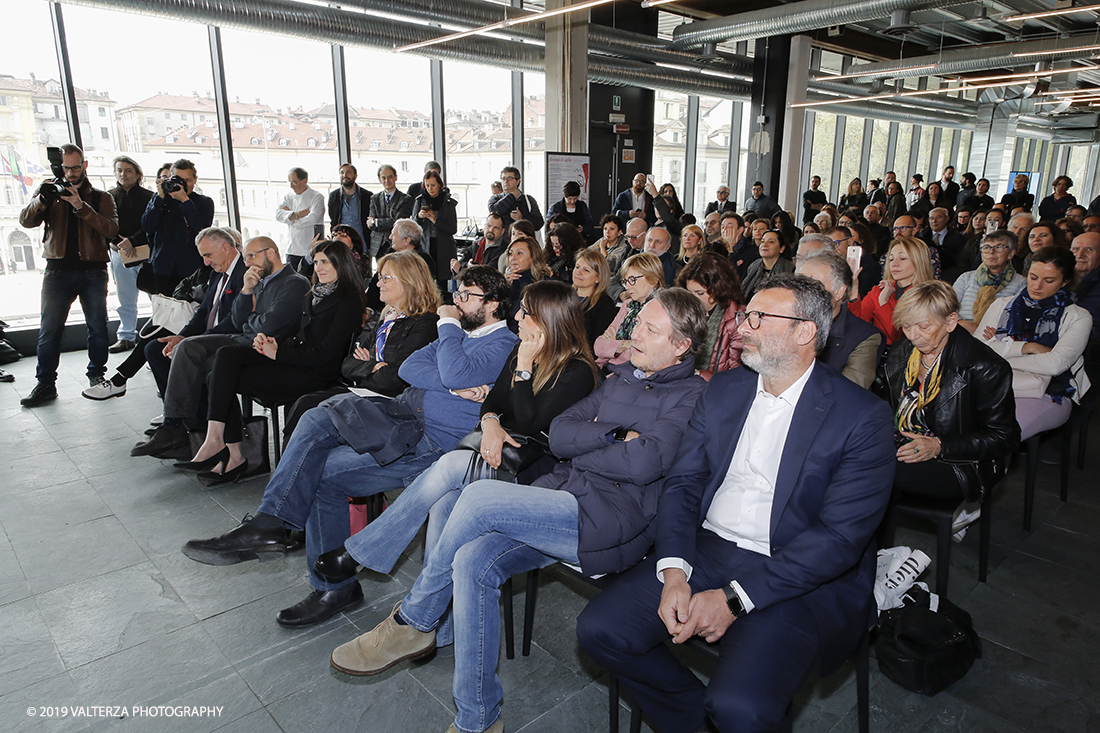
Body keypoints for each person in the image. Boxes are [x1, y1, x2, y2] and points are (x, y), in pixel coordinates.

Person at [329, 289, 708, 733]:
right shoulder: (621, 376)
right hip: (564, 492)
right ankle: (479, 720)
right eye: (637, 321)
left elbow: (642, 464)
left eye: (649, 328)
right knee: (472, 559)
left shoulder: (692, 396)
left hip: (612, 521)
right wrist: (616, 436)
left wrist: (592, 440)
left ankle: (416, 618)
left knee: (472, 495)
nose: (633, 334)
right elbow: (562, 434)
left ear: (681, 345)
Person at [578, 275, 897, 733]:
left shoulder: (860, 416)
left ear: (805, 332)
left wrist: (733, 600)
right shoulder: (725, 389)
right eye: (746, 314)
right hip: (710, 549)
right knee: (600, 630)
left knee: (740, 707)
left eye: (759, 317)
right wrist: (673, 571)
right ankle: (696, 722)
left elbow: (839, 540)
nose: (743, 326)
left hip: (797, 572)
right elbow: (684, 484)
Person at [182, 266, 517, 626]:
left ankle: (328, 582)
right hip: (402, 416)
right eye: (457, 294)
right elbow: (409, 368)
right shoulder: (456, 336)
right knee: (316, 414)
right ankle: (273, 523)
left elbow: (452, 371)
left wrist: (449, 340)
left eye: (467, 297)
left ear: (493, 304)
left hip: (433, 445)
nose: (456, 303)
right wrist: (452, 385)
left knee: (323, 475)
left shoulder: (502, 345)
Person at [320, 278, 599, 591]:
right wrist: (492, 421)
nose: (517, 318)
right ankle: (433, 617)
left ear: (549, 319)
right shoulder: (527, 348)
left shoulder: (577, 370)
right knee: (443, 502)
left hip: (530, 469)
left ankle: (366, 550)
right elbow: (495, 401)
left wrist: (522, 366)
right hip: (496, 449)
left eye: (525, 313)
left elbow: (528, 420)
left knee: (452, 465)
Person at [179, 239, 365, 483]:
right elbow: (293, 333)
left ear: (340, 264)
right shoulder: (314, 293)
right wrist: (273, 344)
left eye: (326, 262)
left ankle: (230, 452)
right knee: (224, 359)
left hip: (315, 374)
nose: (319, 267)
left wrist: (278, 353)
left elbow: (325, 354)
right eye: (317, 261)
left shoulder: (348, 300)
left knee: (219, 376)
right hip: (291, 360)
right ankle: (223, 444)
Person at [128, 237, 310, 453]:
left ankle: (202, 435)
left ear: (271, 253)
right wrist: (246, 291)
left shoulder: (295, 282)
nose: (249, 263)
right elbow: (236, 320)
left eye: (253, 256)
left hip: (260, 348)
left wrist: (251, 319)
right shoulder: (258, 280)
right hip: (241, 339)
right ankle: (175, 425)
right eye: (246, 258)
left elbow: (268, 326)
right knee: (186, 347)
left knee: (207, 365)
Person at [880, 281, 1019, 533]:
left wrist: (940, 445)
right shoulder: (903, 352)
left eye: (924, 326)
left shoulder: (985, 366)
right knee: (849, 457)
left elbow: (1005, 438)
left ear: (951, 321)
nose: (913, 335)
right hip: (903, 443)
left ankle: (872, 561)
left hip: (959, 461)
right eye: (907, 326)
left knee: (868, 474)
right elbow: (885, 407)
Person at [283, 250, 441, 438]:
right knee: (304, 404)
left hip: (392, 402)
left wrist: (365, 370)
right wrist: (373, 366)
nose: (379, 283)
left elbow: (394, 379)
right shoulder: (389, 318)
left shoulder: (425, 323)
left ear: (409, 281)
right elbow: (348, 364)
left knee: (310, 409)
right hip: (366, 392)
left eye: (386, 278)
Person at [17, 143, 118, 407]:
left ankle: (97, 377)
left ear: (84, 166)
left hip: (93, 270)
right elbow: (26, 220)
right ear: (59, 167)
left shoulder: (100, 197)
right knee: (49, 331)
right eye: (66, 168)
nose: (71, 173)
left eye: (75, 167)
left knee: (97, 328)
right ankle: (45, 384)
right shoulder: (48, 193)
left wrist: (80, 205)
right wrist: (42, 199)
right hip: (57, 270)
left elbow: (110, 229)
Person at [976, 246, 1091, 441]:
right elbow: (976, 352)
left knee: (997, 435)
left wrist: (998, 352)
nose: (1037, 286)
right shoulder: (1002, 305)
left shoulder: (1078, 317)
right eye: (1033, 277)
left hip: (1050, 392)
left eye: (1049, 281)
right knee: (962, 425)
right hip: (993, 384)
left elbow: (1055, 365)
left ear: (1065, 281)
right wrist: (1025, 348)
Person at [796, 249, 882, 388]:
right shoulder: (781, 321)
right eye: (799, 284)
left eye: (815, 285)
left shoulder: (864, 337)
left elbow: (848, 394)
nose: (803, 292)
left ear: (839, 292)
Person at [141, 158, 214, 295]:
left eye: (188, 180)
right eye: (179, 180)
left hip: (192, 268)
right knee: (165, 312)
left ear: (195, 180)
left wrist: (185, 201)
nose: (184, 185)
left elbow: (203, 231)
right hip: (163, 267)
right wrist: (159, 198)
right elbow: (147, 226)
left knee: (190, 311)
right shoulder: (160, 200)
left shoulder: (204, 202)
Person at [106, 155, 153, 353]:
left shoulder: (150, 196)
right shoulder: (107, 197)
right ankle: (126, 336)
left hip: (147, 252)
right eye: (119, 170)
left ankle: (158, 334)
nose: (123, 174)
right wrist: (121, 244)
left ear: (138, 174)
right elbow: (105, 226)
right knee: (125, 298)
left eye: (128, 170)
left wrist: (133, 241)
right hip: (119, 253)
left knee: (156, 297)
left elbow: (152, 225)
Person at [850, 236, 934, 345]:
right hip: (875, 352)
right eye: (891, 259)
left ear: (919, 261)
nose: (894, 264)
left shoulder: (925, 295)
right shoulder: (879, 290)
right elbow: (856, 323)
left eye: (902, 258)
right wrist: (853, 288)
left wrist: (883, 302)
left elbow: (898, 335)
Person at [676, 252, 744, 378]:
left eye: (700, 293)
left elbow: (737, 376)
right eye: (688, 292)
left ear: (719, 289)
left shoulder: (738, 321)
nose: (693, 299)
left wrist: (697, 374)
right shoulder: (683, 313)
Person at [596, 252, 664, 367]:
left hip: (632, 374)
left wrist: (613, 344)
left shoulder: (660, 310)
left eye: (633, 280)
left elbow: (639, 355)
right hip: (607, 368)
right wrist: (626, 344)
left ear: (653, 280)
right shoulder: (628, 305)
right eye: (626, 281)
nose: (628, 287)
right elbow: (598, 346)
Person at [951, 230, 1024, 334]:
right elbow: (948, 309)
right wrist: (961, 323)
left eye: (998, 247)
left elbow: (1017, 317)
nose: (991, 252)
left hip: (997, 335)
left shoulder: (1021, 283)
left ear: (1011, 254)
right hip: (961, 330)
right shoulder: (966, 278)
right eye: (986, 247)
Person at [414, 169, 459, 290]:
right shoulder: (420, 200)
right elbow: (413, 225)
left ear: (440, 184)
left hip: (444, 248)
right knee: (425, 282)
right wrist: (419, 216)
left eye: (433, 185)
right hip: (425, 245)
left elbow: (453, 229)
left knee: (443, 285)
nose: (430, 188)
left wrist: (435, 221)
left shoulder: (448, 202)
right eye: (427, 185)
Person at [276, 167, 326, 273]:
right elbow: (278, 215)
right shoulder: (288, 196)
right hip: (291, 249)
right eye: (289, 182)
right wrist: (297, 214)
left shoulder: (316, 197)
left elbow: (313, 218)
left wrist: (291, 219)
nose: (291, 186)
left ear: (304, 181)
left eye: (294, 182)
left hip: (308, 248)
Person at [363, 164, 413, 265]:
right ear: (379, 179)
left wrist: (376, 221)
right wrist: (377, 222)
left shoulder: (406, 199)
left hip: (397, 243)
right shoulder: (374, 198)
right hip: (378, 245)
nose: (387, 180)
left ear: (396, 177)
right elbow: (370, 225)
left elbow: (398, 222)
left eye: (390, 176)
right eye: (383, 177)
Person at [573, 247, 617, 348]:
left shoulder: (604, 304)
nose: (578, 272)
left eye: (586, 270)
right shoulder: (564, 296)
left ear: (598, 278)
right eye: (577, 267)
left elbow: (597, 343)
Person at [504, 235, 551, 327]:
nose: (513, 258)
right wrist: (504, 287)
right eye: (511, 253)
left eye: (519, 253)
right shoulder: (509, 280)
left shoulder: (544, 283)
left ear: (533, 256)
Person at [327, 163, 372, 254]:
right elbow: (333, 220)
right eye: (342, 172)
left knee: (364, 268)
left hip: (363, 244)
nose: (345, 175)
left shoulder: (367, 195)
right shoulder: (334, 196)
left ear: (355, 176)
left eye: (348, 172)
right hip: (342, 245)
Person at [740, 228, 794, 299]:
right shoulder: (753, 266)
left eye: (771, 242)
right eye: (762, 241)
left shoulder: (789, 269)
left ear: (782, 248)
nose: (765, 244)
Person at [490, 166, 543, 231]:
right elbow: (494, 213)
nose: (506, 181)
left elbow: (539, 223)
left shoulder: (528, 200)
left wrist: (521, 219)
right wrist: (511, 196)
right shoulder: (495, 198)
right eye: (503, 178)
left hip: (522, 240)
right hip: (501, 240)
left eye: (510, 178)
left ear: (518, 181)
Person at [607, 218, 648, 301]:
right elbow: (613, 281)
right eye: (628, 236)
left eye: (634, 237)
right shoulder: (628, 252)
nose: (630, 241)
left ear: (645, 235)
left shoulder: (652, 258)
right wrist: (621, 293)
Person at [921, 206, 966, 272]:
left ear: (947, 218)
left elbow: (960, 260)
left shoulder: (957, 238)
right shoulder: (923, 235)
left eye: (938, 217)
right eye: (931, 218)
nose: (934, 221)